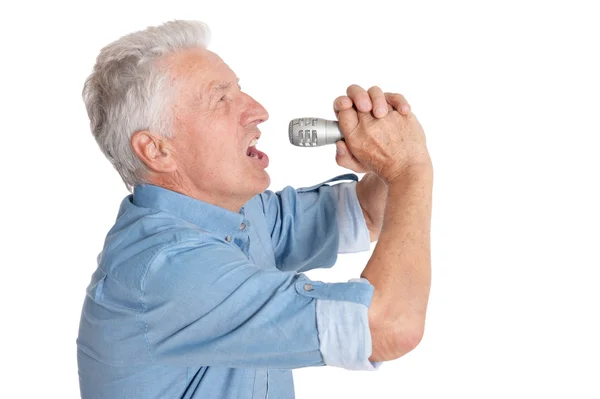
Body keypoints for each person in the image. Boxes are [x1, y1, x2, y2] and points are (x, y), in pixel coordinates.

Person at [77, 19, 433, 399]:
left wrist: (387, 160)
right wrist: (410, 169)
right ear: (157, 150)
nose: (259, 111)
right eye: (220, 100)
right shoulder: (169, 269)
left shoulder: (238, 214)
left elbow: (368, 214)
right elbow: (388, 326)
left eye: (240, 90)